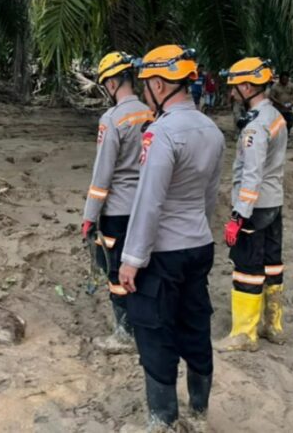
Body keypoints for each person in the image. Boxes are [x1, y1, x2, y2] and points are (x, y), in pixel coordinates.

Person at [118, 45, 225, 430]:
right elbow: (210, 194)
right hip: (198, 245)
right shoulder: (211, 130)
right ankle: (199, 407)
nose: (146, 92)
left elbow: (149, 200)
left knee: (154, 329)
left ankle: (162, 418)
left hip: (163, 252)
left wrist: (132, 259)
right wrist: (199, 228)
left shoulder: (162, 133)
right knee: (195, 323)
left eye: (147, 85)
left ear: (160, 84)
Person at [82, 51, 154, 354]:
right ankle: (149, 326)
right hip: (149, 206)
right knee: (145, 268)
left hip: (119, 210)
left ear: (112, 82)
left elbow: (103, 174)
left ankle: (125, 334)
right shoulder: (153, 113)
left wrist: (90, 215)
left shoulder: (111, 119)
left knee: (117, 273)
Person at [216, 57, 288, 353]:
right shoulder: (274, 116)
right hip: (274, 203)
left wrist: (238, 216)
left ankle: (245, 333)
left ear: (247, 86)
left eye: (235, 88)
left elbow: (252, 174)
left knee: (247, 266)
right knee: (272, 263)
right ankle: (273, 324)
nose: (232, 93)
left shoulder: (255, 127)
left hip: (255, 207)